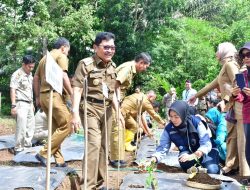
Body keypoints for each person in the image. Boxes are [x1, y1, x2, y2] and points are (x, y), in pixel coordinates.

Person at [189, 42, 250, 176]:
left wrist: (226, 98)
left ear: (224, 51)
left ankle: (245, 174)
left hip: (239, 105)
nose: (216, 53)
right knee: (232, 137)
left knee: (242, 139)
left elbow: (239, 82)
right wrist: (196, 96)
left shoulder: (230, 65)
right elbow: (212, 84)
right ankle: (231, 165)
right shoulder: (225, 66)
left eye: (217, 50)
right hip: (232, 107)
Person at [71, 32, 121, 189]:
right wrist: (74, 113)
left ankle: (99, 183)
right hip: (89, 108)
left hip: (107, 110)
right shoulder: (85, 64)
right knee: (93, 144)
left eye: (112, 47)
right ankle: (88, 185)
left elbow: (111, 92)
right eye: (106, 47)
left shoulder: (112, 66)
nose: (110, 51)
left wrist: (118, 111)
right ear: (95, 47)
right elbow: (77, 89)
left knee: (104, 146)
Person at [33, 37, 72, 167]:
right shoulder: (61, 55)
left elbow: (36, 78)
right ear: (63, 47)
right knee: (68, 124)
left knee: (56, 128)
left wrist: (38, 97)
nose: (67, 53)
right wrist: (72, 94)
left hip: (44, 96)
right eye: (68, 50)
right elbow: (63, 75)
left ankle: (59, 160)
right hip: (53, 95)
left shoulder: (44, 58)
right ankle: (43, 153)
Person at [151, 100, 220, 174]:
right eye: (171, 116)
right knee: (184, 162)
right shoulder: (169, 129)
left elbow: (206, 143)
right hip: (187, 152)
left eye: (176, 117)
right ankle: (198, 169)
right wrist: (153, 159)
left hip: (207, 151)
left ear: (183, 114)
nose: (173, 120)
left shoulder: (196, 123)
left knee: (212, 171)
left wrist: (195, 154)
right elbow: (162, 147)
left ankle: (208, 166)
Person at [110, 52, 152, 168]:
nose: (145, 69)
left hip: (116, 100)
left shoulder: (130, 68)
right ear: (141, 63)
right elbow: (115, 85)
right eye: (145, 66)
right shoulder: (128, 68)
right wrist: (117, 105)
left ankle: (116, 157)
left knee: (118, 127)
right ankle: (115, 159)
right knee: (117, 127)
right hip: (112, 100)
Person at [10, 55, 35, 154]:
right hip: (20, 103)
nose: (31, 69)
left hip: (29, 103)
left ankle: (27, 146)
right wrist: (13, 105)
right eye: (29, 67)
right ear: (23, 65)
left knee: (30, 126)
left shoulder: (30, 75)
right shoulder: (17, 74)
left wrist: (32, 103)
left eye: (33, 66)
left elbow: (30, 90)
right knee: (21, 127)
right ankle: (19, 148)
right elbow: (13, 89)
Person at [232, 42, 250, 168]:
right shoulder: (242, 75)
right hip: (247, 116)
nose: (246, 58)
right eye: (243, 56)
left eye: (249, 54)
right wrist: (234, 94)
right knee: (248, 153)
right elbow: (242, 98)